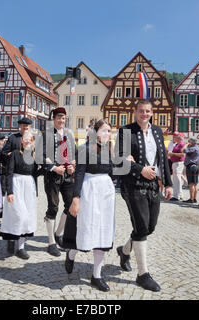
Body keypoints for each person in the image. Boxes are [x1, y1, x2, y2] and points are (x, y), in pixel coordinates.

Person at [115, 99, 173, 292]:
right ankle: (143, 274)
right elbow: (120, 158)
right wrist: (139, 169)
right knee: (140, 227)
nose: (144, 114)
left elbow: (163, 157)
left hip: (153, 185)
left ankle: (124, 251)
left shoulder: (157, 131)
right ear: (135, 111)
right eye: (141, 111)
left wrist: (168, 183)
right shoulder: (126, 131)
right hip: (133, 185)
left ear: (152, 112)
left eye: (148, 111)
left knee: (150, 227)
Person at [63, 119, 119, 292]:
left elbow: (111, 173)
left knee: (103, 230)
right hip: (89, 190)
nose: (107, 134)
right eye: (103, 130)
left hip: (106, 193)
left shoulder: (109, 150)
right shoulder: (85, 149)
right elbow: (79, 175)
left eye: (109, 131)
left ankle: (97, 275)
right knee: (85, 229)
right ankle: (71, 254)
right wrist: (76, 198)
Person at [0, 131, 42, 259]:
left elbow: (35, 173)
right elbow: (9, 172)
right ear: (22, 141)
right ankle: (11, 239)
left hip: (29, 187)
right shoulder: (14, 154)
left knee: (27, 216)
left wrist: (43, 168)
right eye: (26, 139)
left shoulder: (34, 156)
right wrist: (10, 191)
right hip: (16, 184)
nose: (28, 141)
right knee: (18, 214)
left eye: (30, 139)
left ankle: (21, 247)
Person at [42, 108, 76, 257]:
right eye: (59, 118)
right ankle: (51, 243)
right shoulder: (46, 135)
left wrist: (72, 165)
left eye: (63, 118)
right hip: (52, 176)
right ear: (54, 119)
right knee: (53, 207)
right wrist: (54, 168)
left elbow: (74, 153)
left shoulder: (69, 135)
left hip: (67, 176)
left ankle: (58, 234)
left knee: (70, 206)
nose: (61, 121)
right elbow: (41, 156)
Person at [1, 117, 33, 253]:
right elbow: (3, 154)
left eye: (27, 125)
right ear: (20, 126)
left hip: (27, 180)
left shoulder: (33, 141)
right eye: (23, 125)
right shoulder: (13, 138)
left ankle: (21, 245)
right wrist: (13, 156)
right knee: (14, 212)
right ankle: (11, 238)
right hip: (15, 174)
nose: (25, 127)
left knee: (26, 213)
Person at [167, 132, 185, 201]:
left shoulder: (181, 144)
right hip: (176, 162)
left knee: (176, 179)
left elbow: (182, 154)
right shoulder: (178, 144)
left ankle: (176, 196)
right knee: (177, 179)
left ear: (179, 138)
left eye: (176, 137)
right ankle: (179, 194)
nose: (174, 138)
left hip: (178, 162)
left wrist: (172, 154)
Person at [182, 137, 199, 203]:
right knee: (195, 184)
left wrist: (186, 144)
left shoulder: (192, 148)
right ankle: (194, 198)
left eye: (189, 141)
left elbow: (184, 150)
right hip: (196, 166)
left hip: (191, 166)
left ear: (192, 142)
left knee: (191, 184)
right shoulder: (198, 148)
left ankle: (191, 198)